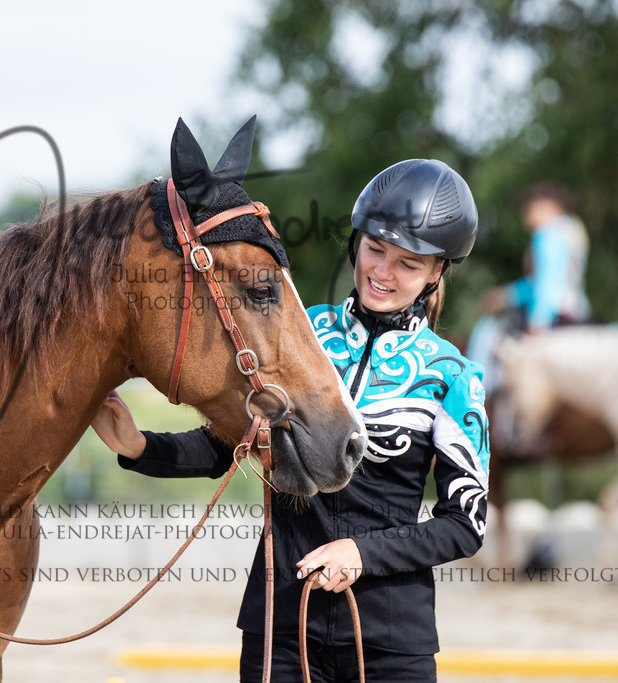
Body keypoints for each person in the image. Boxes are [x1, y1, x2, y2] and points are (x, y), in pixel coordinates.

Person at [91, 159, 490, 682]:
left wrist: (362, 555)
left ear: (437, 271)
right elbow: (224, 447)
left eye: (408, 264)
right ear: (356, 244)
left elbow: (465, 525)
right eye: (375, 250)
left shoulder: (453, 374)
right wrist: (143, 447)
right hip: (279, 628)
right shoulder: (301, 335)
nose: (383, 272)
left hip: (391, 643)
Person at [479, 182, 591, 331]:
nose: (525, 217)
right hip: (577, 312)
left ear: (543, 205)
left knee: (486, 332)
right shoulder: (571, 228)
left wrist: (538, 320)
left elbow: (547, 281)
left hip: (555, 316)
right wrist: (504, 296)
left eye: (527, 210)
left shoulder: (548, 233)